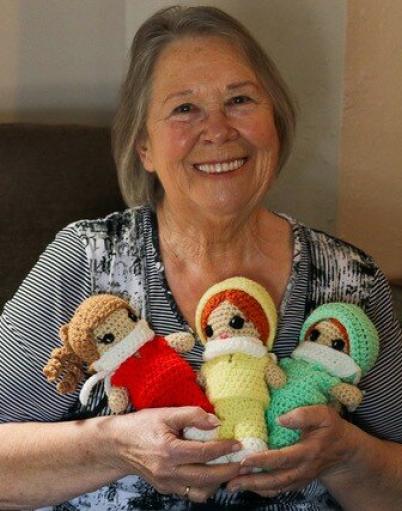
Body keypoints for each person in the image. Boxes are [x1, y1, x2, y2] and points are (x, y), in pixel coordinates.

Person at [0, 5, 401, 511]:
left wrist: (349, 456)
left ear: (275, 123)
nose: (218, 130)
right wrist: (112, 447)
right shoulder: (86, 260)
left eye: (239, 100)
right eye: (185, 108)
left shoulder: (350, 279)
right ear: (144, 146)